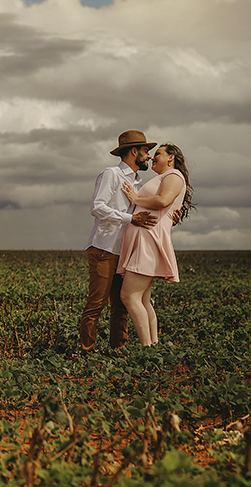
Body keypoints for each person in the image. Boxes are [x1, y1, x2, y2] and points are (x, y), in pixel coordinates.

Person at [80, 130, 160, 353]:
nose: (149, 156)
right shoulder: (111, 174)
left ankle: (119, 351)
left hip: (124, 251)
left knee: (121, 305)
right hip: (104, 248)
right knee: (96, 303)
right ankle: (87, 353)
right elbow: (97, 207)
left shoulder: (138, 183)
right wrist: (130, 218)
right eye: (146, 151)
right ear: (133, 151)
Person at [116, 143, 196, 346]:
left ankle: (146, 349)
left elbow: (163, 201)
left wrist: (135, 198)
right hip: (144, 238)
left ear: (171, 157)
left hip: (149, 239)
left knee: (128, 296)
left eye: (158, 154)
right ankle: (153, 347)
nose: (152, 157)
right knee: (142, 300)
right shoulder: (163, 177)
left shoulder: (174, 176)